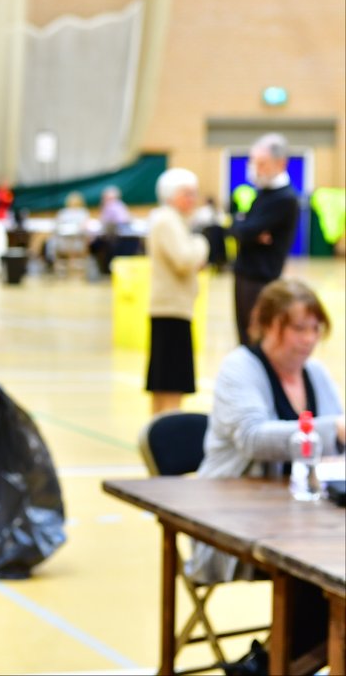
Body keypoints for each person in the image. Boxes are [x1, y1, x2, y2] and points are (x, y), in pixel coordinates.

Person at [189, 279, 344, 675]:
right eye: (298, 328)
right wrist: (333, 432)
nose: (308, 339)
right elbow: (253, 437)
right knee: (322, 575)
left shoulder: (317, 374)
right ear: (268, 326)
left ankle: (272, 663)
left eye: (314, 328)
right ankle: (274, 665)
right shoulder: (239, 368)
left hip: (306, 519)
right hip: (235, 521)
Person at [145, 169, 208, 415]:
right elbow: (184, 260)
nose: (193, 199)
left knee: (166, 380)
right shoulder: (167, 220)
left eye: (194, 193)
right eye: (187, 194)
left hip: (174, 307)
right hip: (171, 309)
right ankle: (165, 433)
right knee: (170, 382)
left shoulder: (172, 220)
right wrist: (202, 244)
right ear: (171, 195)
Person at [229, 133, 300, 345]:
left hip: (262, 280)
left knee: (257, 338)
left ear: (280, 163)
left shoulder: (285, 198)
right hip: (244, 273)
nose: (255, 168)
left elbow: (245, 230)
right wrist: (246, 229)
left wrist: (245, 229)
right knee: (244, 337)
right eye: (253, 162)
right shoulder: (262, 193)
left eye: (261, 163)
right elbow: (238, 228)